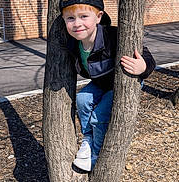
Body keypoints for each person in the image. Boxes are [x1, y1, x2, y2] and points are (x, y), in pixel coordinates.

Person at [59, 0, 156, 172]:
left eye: (83, 16)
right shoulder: (73, 44)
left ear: (98, 17)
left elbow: (145, 55)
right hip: (101, 83)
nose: (77, 23)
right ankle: (88, 139)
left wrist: (143, 67)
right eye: (70, 18)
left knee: (99, 115)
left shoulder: (113, 36)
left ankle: (96, 153)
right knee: (82, 99)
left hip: (122, 84)